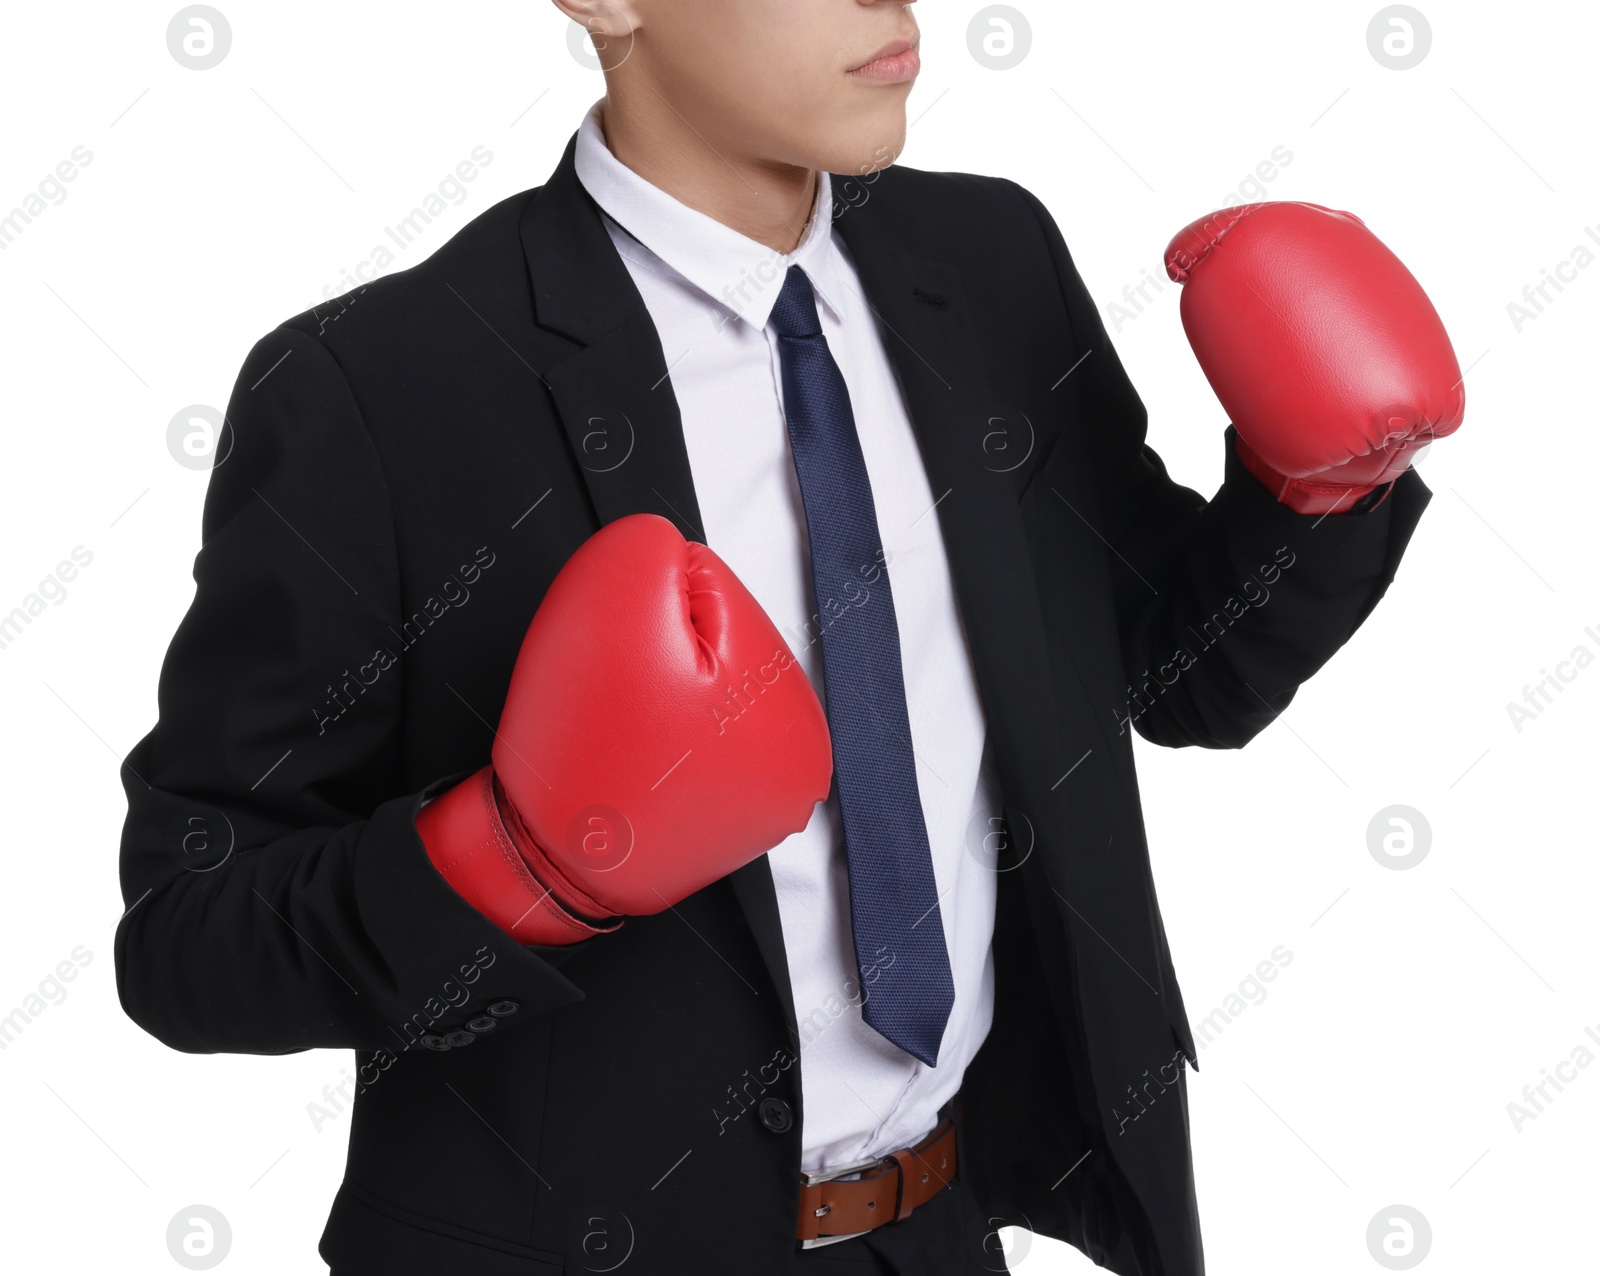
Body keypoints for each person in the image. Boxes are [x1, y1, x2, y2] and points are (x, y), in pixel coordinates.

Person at [114, 2, 1463, 1273]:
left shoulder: (989, 269)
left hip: (942, 1225)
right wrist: (514, 865)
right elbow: (187, 934)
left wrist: (1315, 497)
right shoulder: (384, 383)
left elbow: (1174, 676)